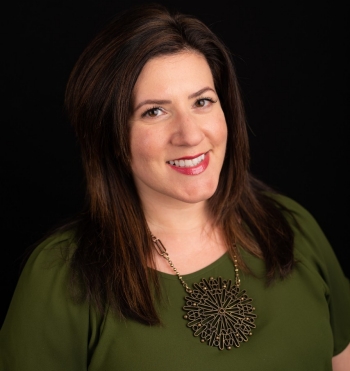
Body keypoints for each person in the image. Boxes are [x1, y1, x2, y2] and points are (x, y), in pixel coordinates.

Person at [0, 3, 349, 370]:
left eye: (202, 101)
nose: (191, 134)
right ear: (110, 136)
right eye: (154, 111)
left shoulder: (292, 227)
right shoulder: (59, 276)